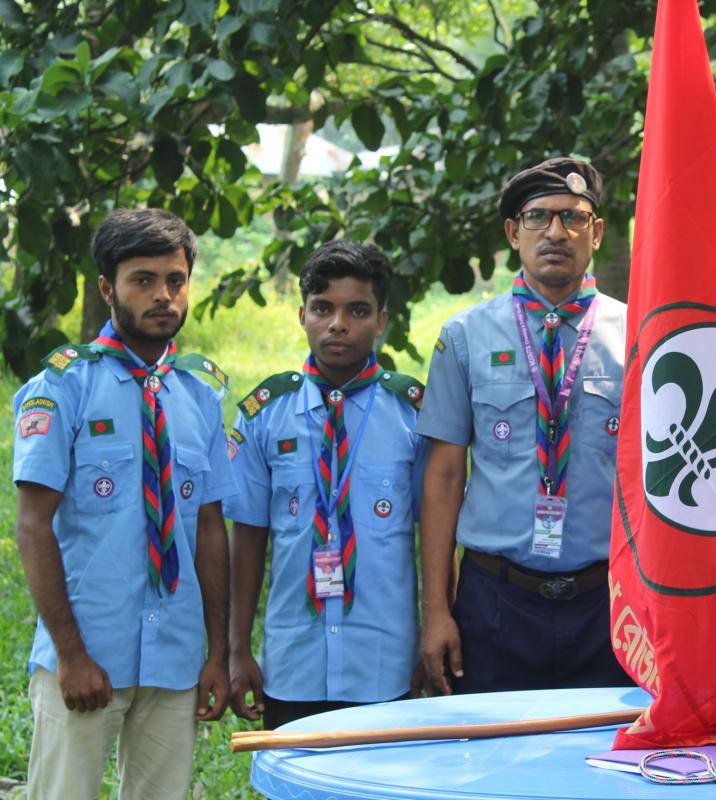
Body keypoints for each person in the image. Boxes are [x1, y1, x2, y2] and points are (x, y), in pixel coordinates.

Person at [12, 208, 234, 799]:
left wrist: (217, 652)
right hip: (88, 653)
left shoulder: (201, 396)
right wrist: (70, 653)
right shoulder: (62, 387)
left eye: (176, 280)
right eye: (143, 280)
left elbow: (209, 529)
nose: (163, 295)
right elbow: (33, 527)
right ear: (108, 288)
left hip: (176, 656)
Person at [416, 157, 632, 694]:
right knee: (489, 766)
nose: (556, 232)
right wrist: (437, 610)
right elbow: (443, 478)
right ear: (514, 233)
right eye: (538, 217)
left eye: (573, 217)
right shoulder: (465, 336)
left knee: (600, 764)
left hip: (606, 603)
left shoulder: (638, 334)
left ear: (597, 233)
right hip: (496, 603)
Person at [226, 241, 428, 730]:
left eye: (357, 310)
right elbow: (248, 537)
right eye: (323, 308)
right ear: (302, 315)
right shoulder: (265, 414)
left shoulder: (414, 416)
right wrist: (235, 650)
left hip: (385, 661)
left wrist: (433, 632)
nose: (338, 324)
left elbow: (438, 540)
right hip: (293, 664)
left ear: (381, 320)